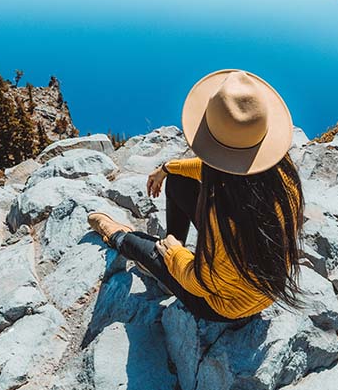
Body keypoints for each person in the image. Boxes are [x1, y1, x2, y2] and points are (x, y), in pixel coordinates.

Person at [88, 69, 304, 322]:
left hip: (225, 306)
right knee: (179, 182)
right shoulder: (280, 173)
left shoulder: (225, 217)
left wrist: (175, 253)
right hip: (249, 272)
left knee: (137, 244)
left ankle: (118, 236)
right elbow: (224, 170)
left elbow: (201, 283)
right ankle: (168, 255)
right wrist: (169, 168)